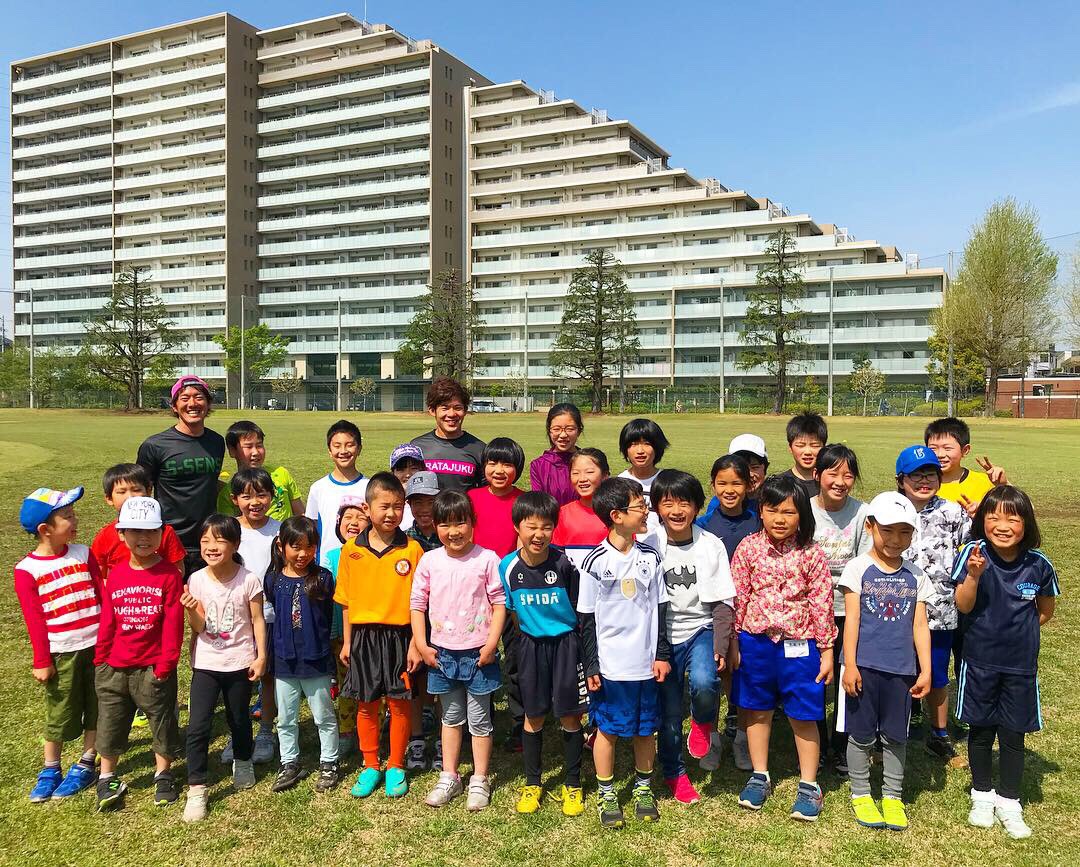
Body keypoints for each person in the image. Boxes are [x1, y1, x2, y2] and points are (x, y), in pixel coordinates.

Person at [954, 486, 1058, 839]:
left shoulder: (1039, 564)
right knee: (981, 731)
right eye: (993, 516)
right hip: (979, 660)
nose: (1002, 524)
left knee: (1013, 735)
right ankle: (981, 794)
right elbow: (963, 605)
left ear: (1026, 523)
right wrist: (974, 575)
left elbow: (1044, 611)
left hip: (1020, 666)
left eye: (1012, 517)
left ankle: (1010, 800)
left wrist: (1018, 634)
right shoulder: (974, 554)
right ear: (982, 521)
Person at [731, 474, 836, 821]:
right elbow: (739, 596)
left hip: (800, 644)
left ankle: (809, 784)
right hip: (756, 642)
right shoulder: (748, 548)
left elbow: (821, 601)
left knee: (803, 714)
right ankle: (759, 775)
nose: (780, 519)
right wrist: (734, 641)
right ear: (760, 511)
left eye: (789, 512)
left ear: (801, 515)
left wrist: (826, 650)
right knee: (757, 710)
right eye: (772, 510)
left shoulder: (812, 553)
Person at [836, 493, 932, 832]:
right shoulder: (858, 568)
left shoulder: (916, 575)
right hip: (864, 667)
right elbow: (852, 621)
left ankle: (892, 795)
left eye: (905, 533)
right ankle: (861, 793)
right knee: (861, 735)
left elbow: (920, 625)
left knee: (896, 737)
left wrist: (926, 668)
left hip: (902, 671)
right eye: (888, 531)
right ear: (870, 526)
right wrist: (850, 664)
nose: (895, 540)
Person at [578, 477, 671, 828]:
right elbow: (586, 620)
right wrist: (591, 664)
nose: (646, 511)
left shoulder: (651, 557)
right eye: (639, 506)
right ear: (616, 515)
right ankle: (606, 791)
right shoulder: (594, 562)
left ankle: (644, 788)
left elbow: (660, 609)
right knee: (609, 730)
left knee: (646, 729)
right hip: (612, 666)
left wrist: (661, 653)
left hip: (645, 664)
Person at [411, 491, 506, 811]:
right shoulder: (429, 560)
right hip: (442, 654)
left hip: (479, 653)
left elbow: (499, 603)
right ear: (435, 526)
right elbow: (416, 605)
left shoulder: (487, 559)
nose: (454, 531)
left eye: (461, 523)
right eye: (445, 524)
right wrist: (422, 645)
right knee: (450, 718)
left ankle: (479, 778)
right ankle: (450, 776)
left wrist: (492, 644)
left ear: (473, 523)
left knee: (480, 721)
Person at [336, 473, 425, 800]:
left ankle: (396, 765)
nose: (391, 514)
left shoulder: (413, 550)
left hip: (400, 637)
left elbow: (420, 603)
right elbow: (345, 602)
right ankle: (371, 763)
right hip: (363, 637)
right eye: (384, 506)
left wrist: (416, 642)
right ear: (367, 507)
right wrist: (347, 641)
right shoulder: (351, 551)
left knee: (400, 704)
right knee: (366, 703)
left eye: (398, 507)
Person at [91, 497, 184, 811]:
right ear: (121, 535)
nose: (143, 538)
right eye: (134, 531)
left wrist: (166, 663)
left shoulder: (169, 574)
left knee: (161, 720)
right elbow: (109, 618)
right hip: (114, 664)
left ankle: (163, 773)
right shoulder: (116, 573)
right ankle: (107, 775)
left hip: (153, 665)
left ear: (162, 534)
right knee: (111, 720)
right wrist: (101, 658)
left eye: (150, 532)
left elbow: (173, 622)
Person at [498, 491, 587, 817]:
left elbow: (580, 611)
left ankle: (573, 783)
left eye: (546, 527)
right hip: (530, 647)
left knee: (569, 715)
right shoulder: (507, 566)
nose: (539, 534)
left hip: (565, 647)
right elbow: (508, 611)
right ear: (517, 527)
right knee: (533, 716)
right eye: (531, 527)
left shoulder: (564, 564)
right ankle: (533, 782)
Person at [652, 470, 736, 804]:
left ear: (698, 506)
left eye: (684, 502)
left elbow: (722, 601)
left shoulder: (710, 544)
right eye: (667, 502)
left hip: (700, 628)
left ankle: (703, 723)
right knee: (669, 713)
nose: (676, 510)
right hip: (662, 637)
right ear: (657, 507)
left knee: (705, 681)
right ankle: (674, 772)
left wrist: (721, 643)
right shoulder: (649, 544)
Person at [15, 486, 103, 803]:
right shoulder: (27, 570)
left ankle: (86, 762)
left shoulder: (83, 553)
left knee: (96, 706)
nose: (74, 520)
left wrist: (110, 638)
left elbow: (102, 596)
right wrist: (42, 660)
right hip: (62, 652)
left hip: (96, 647)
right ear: (45, 529)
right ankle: (51, 767)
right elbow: (34, 620)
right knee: (60, 710)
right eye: (67, 516)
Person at [180, 514, 267, 823]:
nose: (211, 546)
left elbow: (257, 620)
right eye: (205, 541)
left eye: (219, 540)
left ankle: (243, 761)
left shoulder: (249, 579)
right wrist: (192, 610)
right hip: (206, 664)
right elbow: (201, 628)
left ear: (235, 544)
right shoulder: (197, 580)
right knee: (198, 726)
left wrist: (260, 657)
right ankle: (197, 789)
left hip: (240, 662)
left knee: (239, 719)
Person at [895, 444, 971, 760]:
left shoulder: (953, 512)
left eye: (930, 474)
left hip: (940, 612)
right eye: (915, 475)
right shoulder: (890, 509)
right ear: (901, 480)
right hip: (897, 611)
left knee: (937, 674)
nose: (923, 481)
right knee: (898, 671)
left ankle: (938, 734)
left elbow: (968, 553)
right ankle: (895, 728)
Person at [265, 517, 340, 794]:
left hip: (316, 659)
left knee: (323, 715)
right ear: (281, 546)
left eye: (310, 547)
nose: (302, 554)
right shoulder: (273, 579)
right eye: (296, 547)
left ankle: (329, 761)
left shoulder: (322, 578)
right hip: (284, 660)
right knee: (286, 717)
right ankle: (289, 762)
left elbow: (330, 615)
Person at [809, 444, 871, 770]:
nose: (840, 481)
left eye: (848, 475)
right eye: (833, 473)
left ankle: (843, 744)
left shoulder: (863, 513)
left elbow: (863, 566)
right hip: (811, 612)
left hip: (849, 608)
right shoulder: (804, 511)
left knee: (849, 676)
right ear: (817, 475)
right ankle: (817, 746)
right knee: (816, 680)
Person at [700, 453, 761, 768]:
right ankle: (711, 739)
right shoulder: (703, 525)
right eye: (722, 483)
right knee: (715, 676)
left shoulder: (758, 521)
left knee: (744, 677)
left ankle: (741, 739)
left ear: (749, 485)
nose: (729, 489)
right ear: (713, 485)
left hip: (752, 613)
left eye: (736, 482)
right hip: (714, 615)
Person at [136, 375, 225, 578]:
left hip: (208, 537)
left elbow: (211, 482)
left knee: (208, 604)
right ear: (174, 406)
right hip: (168, 539)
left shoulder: (216, 442)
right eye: (184, 398)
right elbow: (140, 493)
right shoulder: (155, 445)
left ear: (208, 403)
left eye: (199, 397)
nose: (192, 403)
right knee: (168, 604)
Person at [228, 468, 281, 765]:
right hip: (235, 619)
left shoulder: (280, 530)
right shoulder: (229, 530)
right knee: (236, 679)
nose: (255, 502)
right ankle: (239, 734)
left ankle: (265, 731)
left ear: (272, 496)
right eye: (247, 496)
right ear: (235, 499)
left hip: (271, 617)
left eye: (262, 494)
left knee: (268, 677)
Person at [402, 471, 442, 770]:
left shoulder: (450, 534)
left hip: (446, 621)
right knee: (414, 682)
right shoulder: (404, 541)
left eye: (430, 500)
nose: (423, 508)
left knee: (442, 683)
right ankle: (416, 740)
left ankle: (443, 740)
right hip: (413, 622)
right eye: (416, 502)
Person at [323, 497, 367, 758]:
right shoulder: (331, 557)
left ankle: (376, 726)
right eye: (347, 518)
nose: (353, 522)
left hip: (370, 631)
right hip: (341, 633)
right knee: (347, 682)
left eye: (359, 518)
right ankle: (348, 730)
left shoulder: (372, 554)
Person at [90, 464, 185, 583]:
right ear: (109, 498)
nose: (130, 497)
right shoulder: (105, 536)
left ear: (149, 491)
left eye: (136, 490)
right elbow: (98, 576)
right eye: (121, 492)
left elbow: (178, 570)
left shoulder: (165, 532)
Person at [215, 420, 304, 521]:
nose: (256, 452)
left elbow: (300, 513)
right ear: (232, 450)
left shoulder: (281, 473)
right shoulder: (228, 492)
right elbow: (229, 529)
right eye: (248, 446)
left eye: (259, 445)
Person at [305, 419, 368, 561]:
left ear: (359, 449)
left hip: (362, 563)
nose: (343, 451)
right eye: (337, 446)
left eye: (350, 445)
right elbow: (311, 529)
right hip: (326, 566)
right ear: (329, 450)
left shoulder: (369, 487)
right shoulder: (318, 488)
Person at [411, 376, 486, 492]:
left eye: (457, 408)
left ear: (465, 410)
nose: (451, 414)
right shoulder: (417, 447)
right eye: (445, 408)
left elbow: (486, 493)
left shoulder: (479, 449)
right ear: (432, 410)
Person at [923, 417, 1008, 513]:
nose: (940, 454)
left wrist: (1004, 485)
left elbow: (1018, 511)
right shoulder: (919, 483)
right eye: (933, 448)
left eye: (947, 448)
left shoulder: (984, 483)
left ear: (965, 450)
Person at [551, 448, 611, 569]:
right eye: (575, 473)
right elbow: (556, 556)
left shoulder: (616, 514)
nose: (582, 479)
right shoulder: (563, 513)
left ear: (605, 476)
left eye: (589, 472)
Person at [469, 437, 526, 558]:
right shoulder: (472, 497)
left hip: (509, 566)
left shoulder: (523, 500)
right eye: (492, 464)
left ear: (518, 468)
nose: (499, 470)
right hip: (477, 566)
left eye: (507, 465)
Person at [617, 418, 671, 534]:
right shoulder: (620, 482)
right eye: (633, 444)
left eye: (647, 444)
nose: (640, 450)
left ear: (657, 447)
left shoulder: (667, 482)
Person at [701, 434, 769, 524]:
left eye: (755, 467)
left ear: (765, 468)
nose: (749, 474)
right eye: (741, 469)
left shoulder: (772, 497)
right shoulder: (721, 502)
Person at [529, 403, 584, 506]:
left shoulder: (589, 463)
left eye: (570, 429)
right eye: (556, 429)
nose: (563, 435)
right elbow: (540, 506)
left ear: (579, 430)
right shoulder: (538, 466)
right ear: (549, 431)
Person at [782, 412, 828, 498]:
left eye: (815, 445)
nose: (807, 452)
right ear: (790, 447)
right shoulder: (780, 484)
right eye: (800, 445)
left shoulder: (830, 484)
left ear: (824, 447)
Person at [390, 442, 426, 530]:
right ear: (393, 473)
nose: (408, 474)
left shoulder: (432, 501)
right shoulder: (387, 503)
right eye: (401, 470)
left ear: (423, 469)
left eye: (413, 468)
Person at [405, 471, 441, 553]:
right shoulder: (404, 539)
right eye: (418, 503)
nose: (425, 509)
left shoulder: (448, 537)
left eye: (431, 502)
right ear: (409, 504)